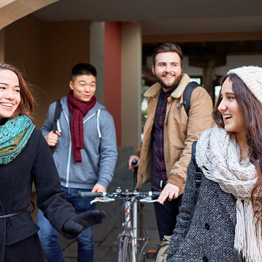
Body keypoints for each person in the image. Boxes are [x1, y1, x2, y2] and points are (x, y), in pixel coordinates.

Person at [0, 63, 106, 262]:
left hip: (18, 245)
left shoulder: (32, 138)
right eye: (2, 88)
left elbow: (50, 196)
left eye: (16, 90)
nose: (10, 95)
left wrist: (68, 220)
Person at [167, 66, 262, 262]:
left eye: (231, 98)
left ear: (253, 102)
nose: (220, 106)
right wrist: (173, 255)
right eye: (221, 98)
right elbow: (186, 214)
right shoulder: (205, 149)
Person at [128, 43, 214, 240]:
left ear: (181, 68)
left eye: (174, 64)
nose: (168, 70)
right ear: (154, 69)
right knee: (166, 243)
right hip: (160, 185)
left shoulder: (196, 95)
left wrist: (176, 179)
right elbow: (154, 132)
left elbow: (196, 143)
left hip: (189, 184)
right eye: (162, 65)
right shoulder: (154, 96)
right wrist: (139, 154)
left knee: (190, 244)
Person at [37, 63, 117, 262]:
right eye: (82, 84)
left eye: (92, 84)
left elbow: (109, 153)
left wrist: (103, 182)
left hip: (85, 189)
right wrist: (45, 137)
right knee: (45, 236)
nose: (88, 89)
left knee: (85, 239)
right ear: (71, 84)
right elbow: (42, 132)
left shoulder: (103, 117)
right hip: (54, 188)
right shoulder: (56, 108)